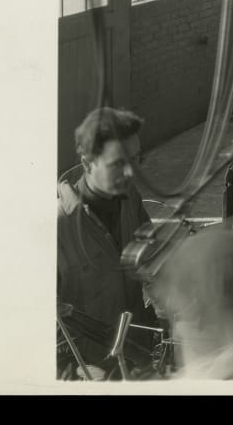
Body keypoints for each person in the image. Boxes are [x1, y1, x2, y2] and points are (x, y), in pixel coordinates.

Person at [57, 107, 155, 378]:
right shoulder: (58, 227)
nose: (131, 172)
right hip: (91, 370)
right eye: (118, 163)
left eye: (136, 159)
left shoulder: (130, 199)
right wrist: (74, 370)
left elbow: (151, 257)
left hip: (138, 355)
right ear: (87, 163)